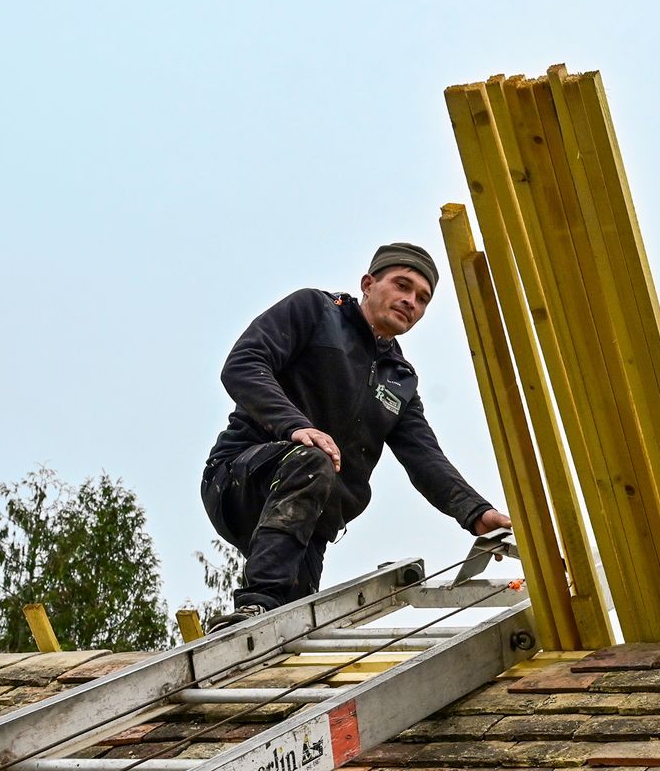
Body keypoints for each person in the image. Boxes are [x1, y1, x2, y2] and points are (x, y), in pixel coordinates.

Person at [201, 242, 511, 630]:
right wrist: (296, 426)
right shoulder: (315, 312)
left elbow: (425, 458)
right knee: (311, 461)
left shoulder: (399, 379)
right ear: (368, 283)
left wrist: (477, 514)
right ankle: (255, 606)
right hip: (241, 478)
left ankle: (266, 627)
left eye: (422, 298)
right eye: (402, 285)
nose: (410, 301)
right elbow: (243, 363)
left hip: (308, 520)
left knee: (290, 628)